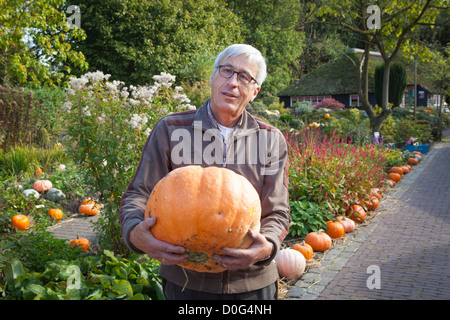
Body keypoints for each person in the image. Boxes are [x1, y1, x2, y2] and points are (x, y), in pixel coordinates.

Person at [119, 44, 290, 300]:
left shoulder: (270, 139)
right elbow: (138, 193)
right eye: (226, 71)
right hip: (186, 284)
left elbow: (277, 211)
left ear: (254, 91)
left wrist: (266, 247)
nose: (232, 82)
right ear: (213, 77)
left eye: (244, 77)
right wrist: (134, 233)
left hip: (251, 285)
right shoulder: (171, 129)